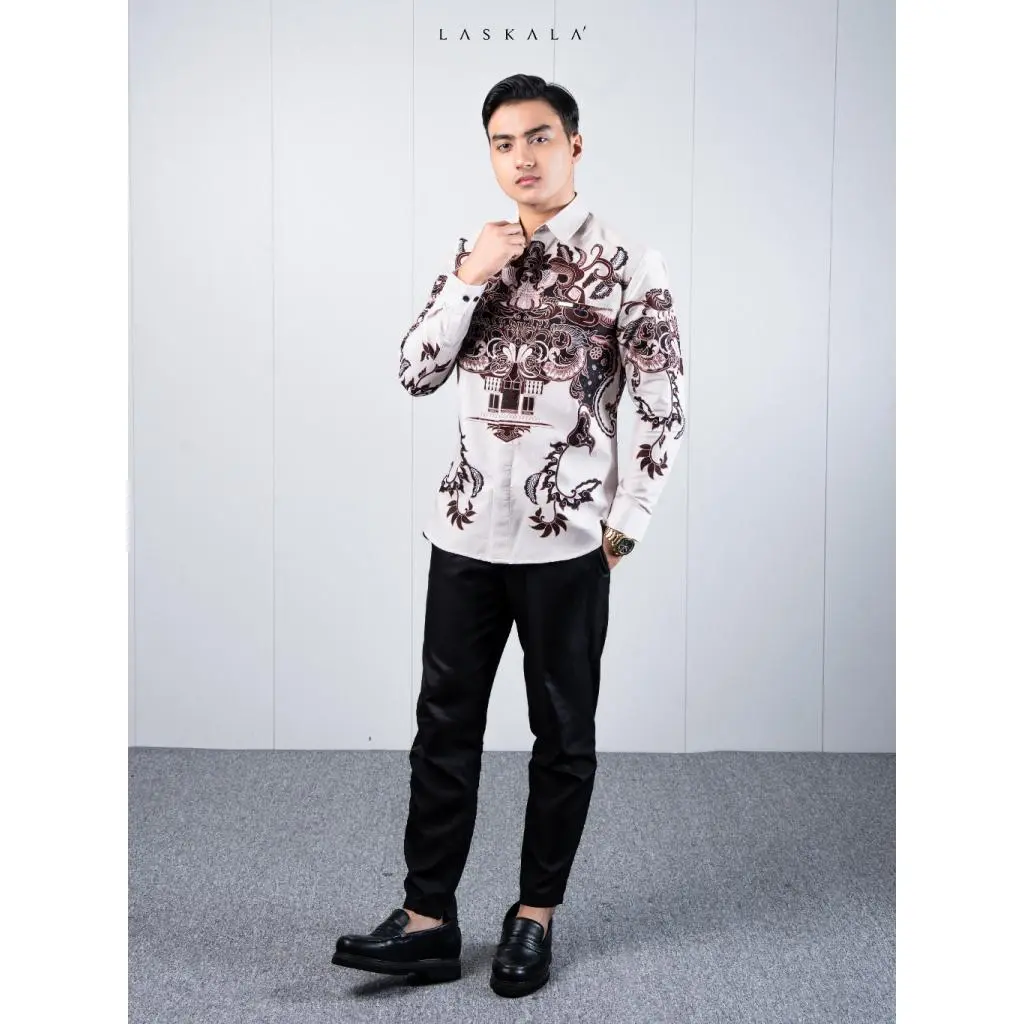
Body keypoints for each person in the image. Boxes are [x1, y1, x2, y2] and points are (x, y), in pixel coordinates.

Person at [332, 72, 685, 998]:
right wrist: (467, 279)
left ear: (574, 144)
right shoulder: (476, 253)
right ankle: (426, 921)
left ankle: (535, 915)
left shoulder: (628, 265)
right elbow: (414, 372)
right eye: (502, 143)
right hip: (464, 533)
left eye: (538, 137)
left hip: (567, 542)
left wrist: (625, 528)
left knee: (562, 734)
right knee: (442, 727)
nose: (521, 157)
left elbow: (661, 403)